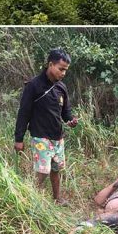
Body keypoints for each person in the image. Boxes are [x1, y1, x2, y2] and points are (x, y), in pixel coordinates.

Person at [14, 48, 79, 204]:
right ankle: (31, 199)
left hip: (58, 137)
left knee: (56, 170)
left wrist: (71, 120)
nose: (63, 73)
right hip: (40, 136)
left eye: (65, 70)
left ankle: (57, 199)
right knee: (43, 171)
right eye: (61, 69)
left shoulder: (61, 87)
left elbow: (65, 112)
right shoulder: (33, 86)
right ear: (51, 64)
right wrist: (19, 139)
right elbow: (24, 113)